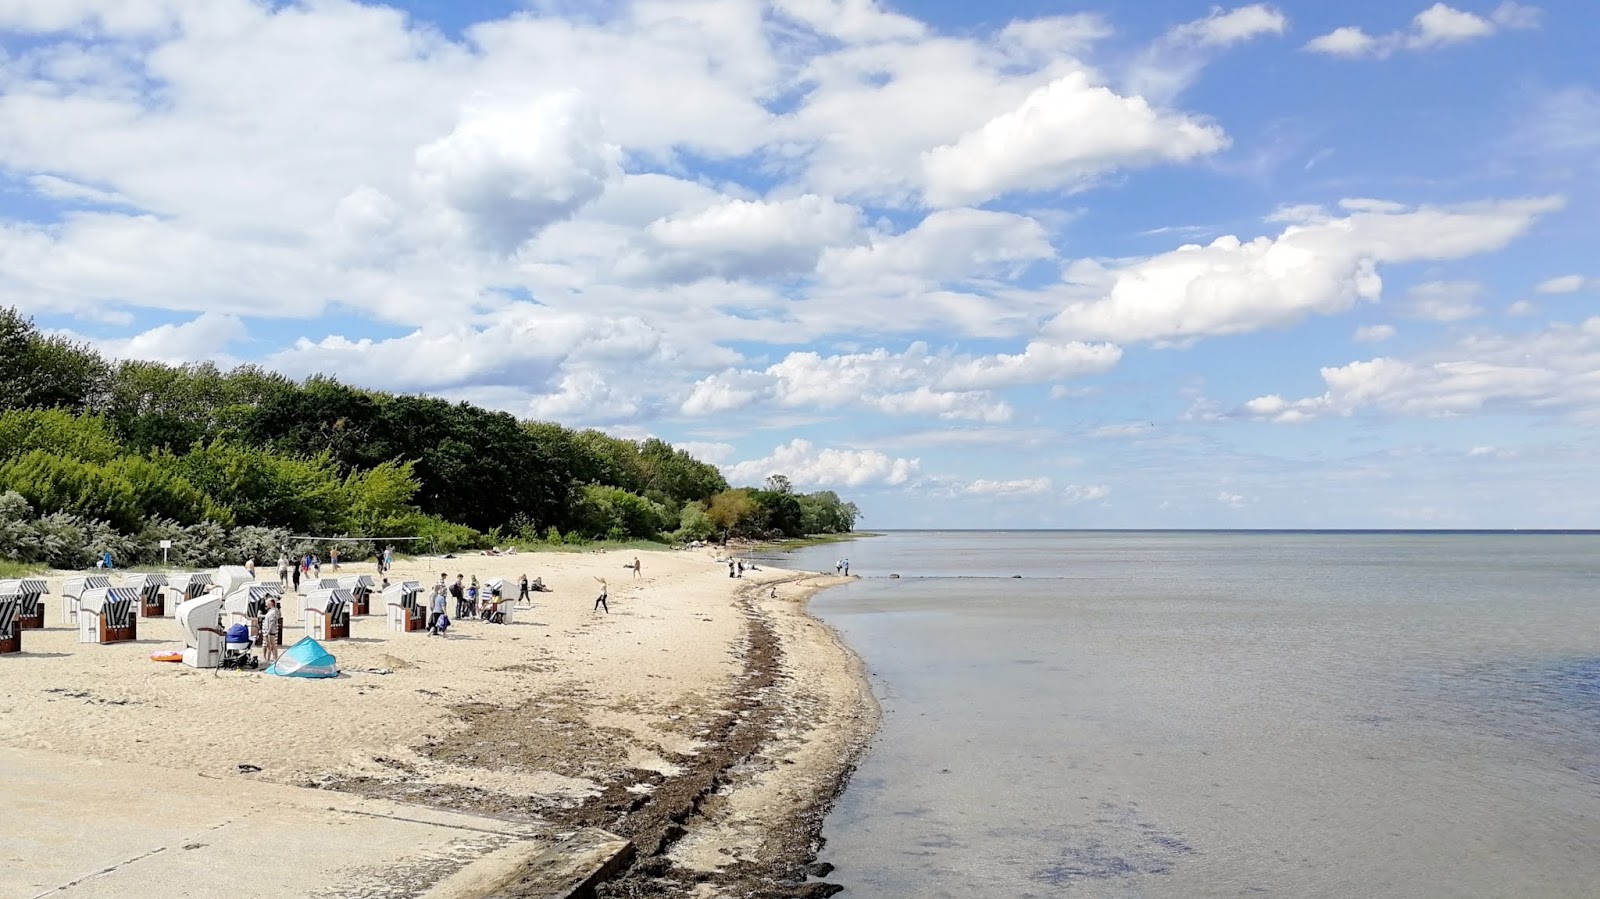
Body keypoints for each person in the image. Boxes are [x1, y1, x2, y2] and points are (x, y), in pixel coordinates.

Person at [261, 599, 282, 667]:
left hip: (270, 632)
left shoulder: (273, 612)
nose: (266, 604)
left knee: (273, 646)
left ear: (270, 603)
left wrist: (268, 631)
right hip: (269, 631)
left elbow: (272, 622)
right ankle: (268, 659)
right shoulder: (272, 611)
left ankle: (275, 659)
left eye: (267, 603)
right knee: (269, 646)